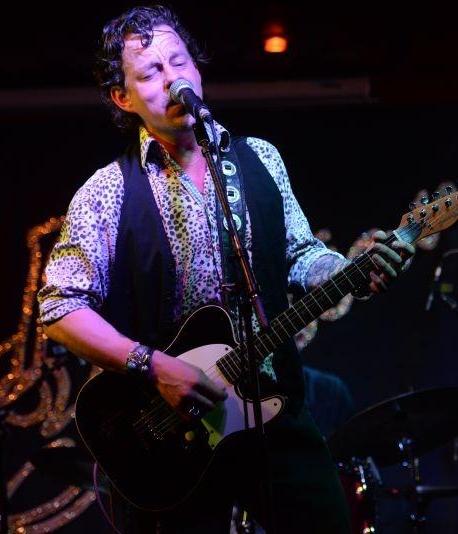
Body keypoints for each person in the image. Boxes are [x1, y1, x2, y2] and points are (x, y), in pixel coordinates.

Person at [36, 5, 413, 533]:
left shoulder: (261, 159)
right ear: (123, 98)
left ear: (197, 69)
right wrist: (155, 366)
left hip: (272, 407)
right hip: (172, 430)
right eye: (151, 72)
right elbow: (59, 308)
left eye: (179, 62)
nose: (172, 79)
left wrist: (346, 272)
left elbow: (301, 254)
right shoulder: (107, 191)